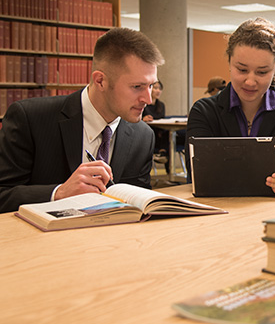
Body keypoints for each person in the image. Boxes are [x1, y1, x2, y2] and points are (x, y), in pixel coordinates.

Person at [0, 27, 165, 213]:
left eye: (151, 85)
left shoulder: (142, 136)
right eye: (137, 86)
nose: (148, 99)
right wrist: (59, 192)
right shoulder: (30, 118)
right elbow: (2, 195)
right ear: (100, 81)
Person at [187, 17, 275, 197]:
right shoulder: (204, 111)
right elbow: (197, 171)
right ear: (229, 63)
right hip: (220, 210)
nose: (250, 81)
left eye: (262, 72)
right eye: (241, 69)